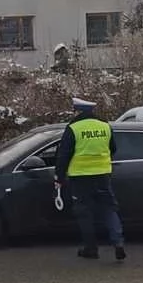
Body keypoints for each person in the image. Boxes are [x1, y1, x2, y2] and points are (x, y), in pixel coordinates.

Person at [55, 97, 126, 261]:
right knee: (109, 209)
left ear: (78, 111)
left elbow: (63, 155)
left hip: (80, 178)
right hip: (103, 175)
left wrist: (59, 177)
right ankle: (118, 243)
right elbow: (113, 148)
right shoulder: (104, 126)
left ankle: (91, 249)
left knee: (84, 213)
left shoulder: (73, 128)